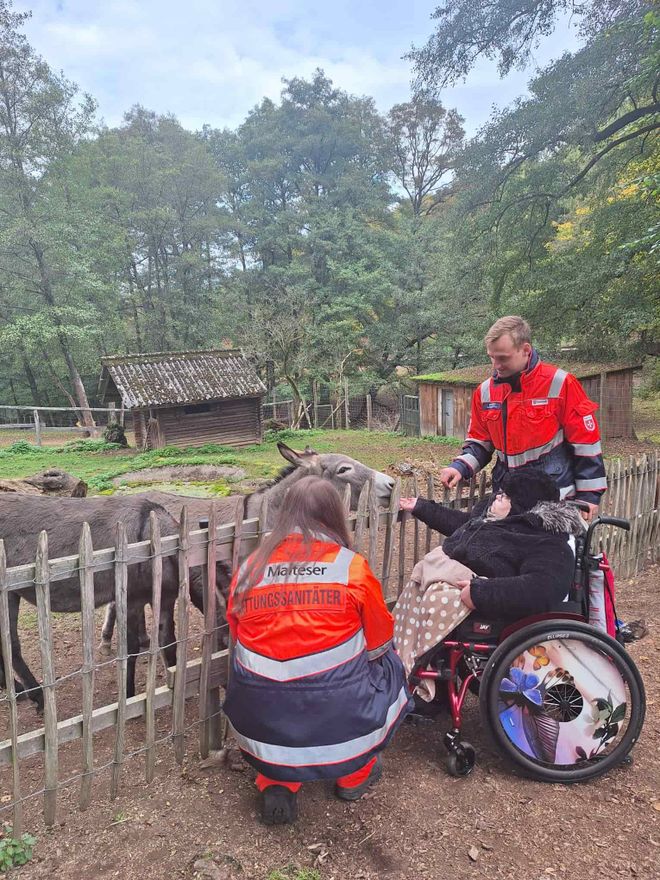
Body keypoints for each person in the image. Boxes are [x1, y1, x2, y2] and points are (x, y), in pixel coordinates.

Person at [223, 476, 413, 826]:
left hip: (261, 719)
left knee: (265, 682)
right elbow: (380, 638)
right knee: (390, 666)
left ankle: (277, 781)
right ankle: (353, 775)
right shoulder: (350, 567)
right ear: (333, 515)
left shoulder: (250, 568)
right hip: (337, 717)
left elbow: (237, 633)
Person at [438, 316, 607, 521]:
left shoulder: (561, 383)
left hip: (555, 501)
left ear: (525, 350)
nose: (496, 365)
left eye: (503, 358)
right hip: (508, 500)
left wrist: (589, 496)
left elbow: (586, 444)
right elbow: (479, 443)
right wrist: (460, 467)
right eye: (492, 357)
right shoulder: (484, 392)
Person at [399, 470, 584, 621]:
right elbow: (462, 525)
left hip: (478, 609)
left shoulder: (545, 544)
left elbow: (543, 587)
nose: (497, 496)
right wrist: (421, 507)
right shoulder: (498, 522)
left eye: (505, 496)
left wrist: (483, 593)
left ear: (520, 507)